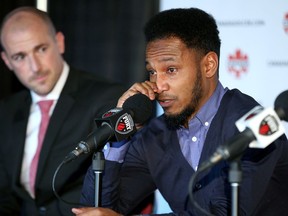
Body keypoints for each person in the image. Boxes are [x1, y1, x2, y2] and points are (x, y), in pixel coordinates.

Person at [72, 7, 288, 216]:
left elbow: (225, 212)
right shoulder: (154, 136)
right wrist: (119, 133)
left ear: (209, 65)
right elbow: (96, 208)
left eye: (171, 70)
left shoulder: (254, 126)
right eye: (152, 72)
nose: (158, 85)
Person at [0, 6, 126, 216]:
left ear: (59, 42)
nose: (35, 67)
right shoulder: (6, 110)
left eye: (41, 49)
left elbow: (114, 189)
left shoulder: (106, 99)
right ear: (7, 62)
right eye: (20, 57)